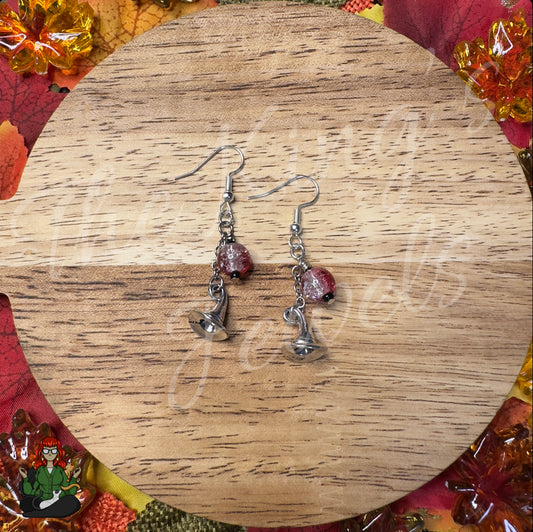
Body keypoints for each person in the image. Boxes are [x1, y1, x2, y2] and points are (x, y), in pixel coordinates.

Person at [18, 436, 81, 518]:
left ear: (57, 453)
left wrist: (74, 477)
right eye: (46, 451)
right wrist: (25, 478)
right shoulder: (39, 471)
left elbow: (69, 491)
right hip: (41, 501)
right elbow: (30, 492)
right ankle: (48, 510)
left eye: (53, 451)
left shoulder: (60, 471)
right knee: (24, 504)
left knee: (73, 502)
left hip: (58, 500)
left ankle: (41, 512)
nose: (50, 453)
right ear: (42, 453)